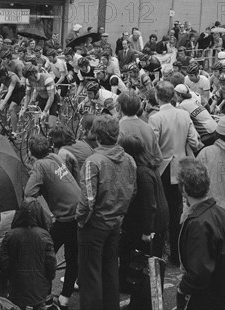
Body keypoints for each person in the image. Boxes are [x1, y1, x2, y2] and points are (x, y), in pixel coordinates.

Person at [76, 115, 137, 310]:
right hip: (116, 222)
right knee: (110, 269)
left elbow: (88, 200)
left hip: (94, 225)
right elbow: (132, 190)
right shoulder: (129, 159)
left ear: (96, 135)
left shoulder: (93, 161)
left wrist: (80, 220)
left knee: (90, 274)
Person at [25, 134, 81, 310]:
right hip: (79, 212)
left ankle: (46, 298)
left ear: (30, 153)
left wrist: (32, 171)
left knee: (45, 257)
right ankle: (64, 297)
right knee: (73, 257)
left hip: (64, 218)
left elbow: (28, 193)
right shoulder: (55, 157)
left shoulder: (39, 166)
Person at [175, 158, 225, 310]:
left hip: (206, 297)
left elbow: (199, 271)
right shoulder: (222, 213)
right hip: (223, 290)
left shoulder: (198, 223)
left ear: (184, 189)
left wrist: (182, 288)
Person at [148, 81, 200, 265]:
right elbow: (195, 141)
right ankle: (177, 256)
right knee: (177, 211)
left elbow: (152, 146)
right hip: (181, 166)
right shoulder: (184, 115)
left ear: (157, 96)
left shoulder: (156, 117)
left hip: (162, 168)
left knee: (161, 213)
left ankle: (158, 254)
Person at [118, 135, 168, 310]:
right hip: (157, 222)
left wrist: (147, 231)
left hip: (151, 226)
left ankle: (145, 304)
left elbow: (149, 204)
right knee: (149, 265)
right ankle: (147, 302)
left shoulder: (141, 172)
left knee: (146, 266)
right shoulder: (149, 166)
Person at [0, 199, 56, 310]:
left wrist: (9, 275)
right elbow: (51, 263)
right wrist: (48, 279)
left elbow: (2, 260)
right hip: (39, 287)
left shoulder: (11, 235)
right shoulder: (44, 235)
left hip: (16, 287)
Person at [117, 91, 162, 169]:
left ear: (119, 107)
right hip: (150, 173)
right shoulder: (147, 127)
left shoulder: (118, 128)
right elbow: (159, 157)